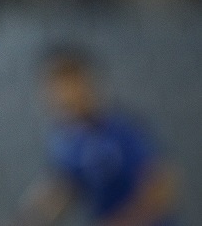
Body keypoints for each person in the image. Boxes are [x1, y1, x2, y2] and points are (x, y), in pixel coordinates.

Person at [12, 46, 179, 226]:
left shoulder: (123, 129)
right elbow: (61, 191)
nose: (66, 95)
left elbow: (163, 188)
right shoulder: (65, 143)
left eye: (71, 84)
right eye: (57, 88)